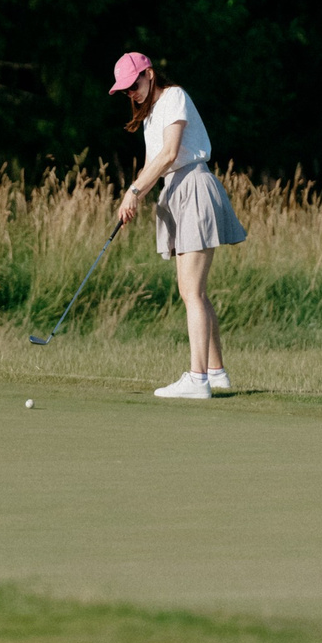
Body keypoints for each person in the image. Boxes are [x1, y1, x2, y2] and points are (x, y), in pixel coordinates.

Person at [109, 52, 248, 399]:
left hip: (194, 188)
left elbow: (171, 154)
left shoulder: (174, 97)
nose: (131, 94)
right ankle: (216, 374)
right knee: (195, 292)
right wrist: (134, 197)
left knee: (191, 292)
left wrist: (134, 191)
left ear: (150, 74)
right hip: (175, 193)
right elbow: (153, 163)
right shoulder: (149, 118)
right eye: (125, 91)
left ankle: (197, 379)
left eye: (134, 85)